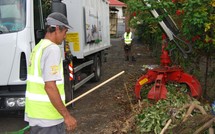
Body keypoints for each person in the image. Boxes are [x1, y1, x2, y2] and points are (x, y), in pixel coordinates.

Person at [24, 12, 77, 134]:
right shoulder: (52, 49)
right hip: (48, 118)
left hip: (36, 115)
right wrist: (67, 116)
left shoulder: (39, 47)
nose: (65, 37)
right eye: (65, 32)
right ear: (57, 29)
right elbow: (50, 86)